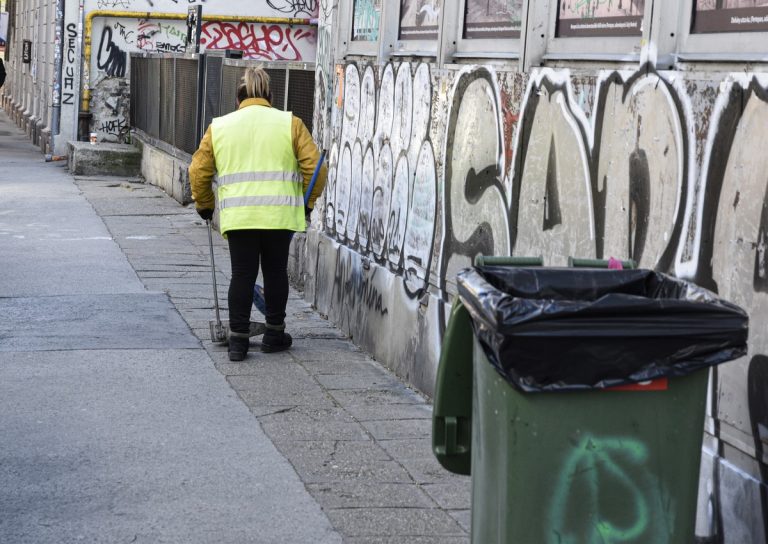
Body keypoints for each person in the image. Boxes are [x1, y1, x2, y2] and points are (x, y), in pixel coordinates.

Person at [189, 66, 326, 361]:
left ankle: (238, 340)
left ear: (238, 97)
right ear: (270, 95)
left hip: (240, 217)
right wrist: (307, 202)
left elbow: (198, 170)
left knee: (243, 274)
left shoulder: (220, 126)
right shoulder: (290, 123)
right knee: (275, 271)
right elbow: (316, 167)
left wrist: (204, 205)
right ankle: (274, 333)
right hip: (280, 216)